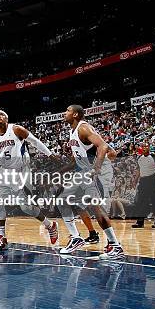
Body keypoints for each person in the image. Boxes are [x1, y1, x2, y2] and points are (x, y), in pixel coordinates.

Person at [0, 109, 59, 251]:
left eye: (2, 114)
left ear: (7, 118)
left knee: (25, 207)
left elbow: (35, 142)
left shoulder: (17, 129)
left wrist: (50, 155)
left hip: (21, 171)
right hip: (4, 172)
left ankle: (50, 225)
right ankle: (1, 238)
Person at [56, 105, 124, 260]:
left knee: (96, 208)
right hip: (83, 172)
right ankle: (76, 238)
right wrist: (61, 171)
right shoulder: (72, 132)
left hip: (93, 172)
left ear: (75, 114)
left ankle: (115, 245)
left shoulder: (83, 128)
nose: (64, 113)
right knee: (63, 200)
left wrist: (97, 168)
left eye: (67, 110)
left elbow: (103, 146)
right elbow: (78, 159)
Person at [131, 143, 155, 228]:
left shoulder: (154, 157)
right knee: (140, 201)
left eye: (146, 146)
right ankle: (140, 222)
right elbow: (138, 169)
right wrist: (135, 180)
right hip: (143, 181)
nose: (144, 148)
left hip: (152, 180)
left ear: (149, 148)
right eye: (143, 146)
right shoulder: (139, 158)